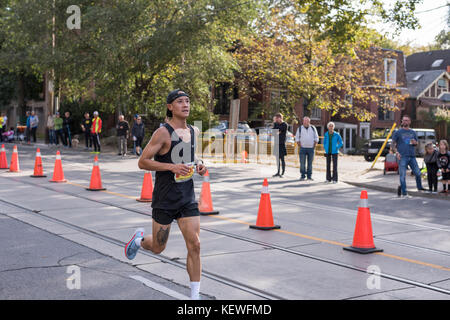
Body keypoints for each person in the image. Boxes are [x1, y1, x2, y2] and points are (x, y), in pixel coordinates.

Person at [124, 89, 206, 300]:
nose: (186, 105)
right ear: (170, 106)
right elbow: (143, 161)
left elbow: (191, 156)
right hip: (165, 198)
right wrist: (171, 168)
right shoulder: (163, 133)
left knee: (195, 245)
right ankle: (139, 241)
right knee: (159, 247)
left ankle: (194, 298)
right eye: (180, 101)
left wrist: (199, 164)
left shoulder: (194, 131)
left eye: (188, 101)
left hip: (186, 198)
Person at [392, 115, 426, 198]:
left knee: (418, 173)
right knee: (402, 175)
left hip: (412, 156)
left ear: (410, 122)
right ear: (402, 122)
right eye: (404, 120)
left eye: (407, 120)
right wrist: (396, 153)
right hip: (402, 156)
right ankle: (404, 193)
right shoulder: (398, 132)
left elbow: (416, 143)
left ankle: (419, 187)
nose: (405, 122)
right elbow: (392, 144)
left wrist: (415, 143)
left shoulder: (413, 132)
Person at [295, 116, 319, 181]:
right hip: (302, 148)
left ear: (309, 122)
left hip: (311, 148)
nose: (305, 122)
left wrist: (315, 143)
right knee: (302, 163)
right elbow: (297, 138)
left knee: (310, 163)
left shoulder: (313, 128)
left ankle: (309, 176)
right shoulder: (300, 128)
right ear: (303, 121)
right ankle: (302, 176)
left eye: (307, 121)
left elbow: (316, 137)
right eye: (304, 121)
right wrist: (299, 143)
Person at [272, 113, 287, 177]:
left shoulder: (285, 124)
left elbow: (280, 129)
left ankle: (282, 173)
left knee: (282, 159)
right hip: (276, 143)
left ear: (280, 118)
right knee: (277, 159)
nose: (275, 120)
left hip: (281, 144)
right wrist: (277, 131)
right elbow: (274, 133)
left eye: (276, 119)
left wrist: (278, 131)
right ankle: (278, 172)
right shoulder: (275, 124)